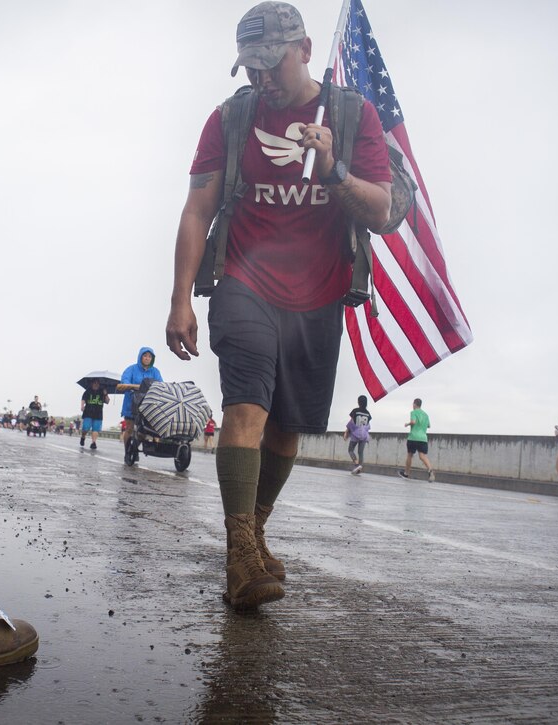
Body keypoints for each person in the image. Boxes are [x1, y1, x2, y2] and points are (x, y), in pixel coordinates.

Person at [164, 1, 393, 613]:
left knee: (289, 431)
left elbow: (381, 210)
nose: (262, 79)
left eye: (272, 64)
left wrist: (332, 167)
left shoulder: (352, 116)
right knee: (247, 409)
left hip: (318, 294)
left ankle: (255, 526)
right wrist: (180, 298)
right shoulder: (230, 118)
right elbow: (197, 210)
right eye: (251, 67)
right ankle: (240, 554)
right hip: (244, 278)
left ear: (306, 50)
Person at [120, 347, 163, 445]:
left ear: (152, 359)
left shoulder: (155, 372)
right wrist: (128, 385)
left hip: (147, 405)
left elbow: (161, 384)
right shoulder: (131, 369)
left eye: (149, 356)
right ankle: (127, 450)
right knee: (129, 429)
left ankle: (135, 447)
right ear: (140, 357)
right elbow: (125, 379)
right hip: (131, 403)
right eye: (145, 356)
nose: (147, 358)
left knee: (142, 432)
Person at [399, 399, 435, 482]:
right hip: (423, 438)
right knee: (422, 456)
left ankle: (406, 473)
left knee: (410, 455)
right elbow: (429, 425)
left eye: (413, 404)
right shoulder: (426, 415)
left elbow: (413, 422)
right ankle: (430, 470)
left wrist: (407, 424)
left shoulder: (413, 412)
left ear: (415, 404)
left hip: (413, 437)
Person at [343, 396, 372, 475]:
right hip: (364, 435)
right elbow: (367, 425)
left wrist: (346, 432)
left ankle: (356, 464)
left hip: (356, 434)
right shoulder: (368, 413)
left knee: (350, 450)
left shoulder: (355, 411)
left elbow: (351, 422)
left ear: (358, 402)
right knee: (360, 452)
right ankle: (359, 469)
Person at [79, 380, 110, 449]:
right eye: (95, 383)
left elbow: (107, 401)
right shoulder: (88, 391)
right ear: (92, 383)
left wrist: (105, 394)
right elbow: (83, 399)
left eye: (97, 383)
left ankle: (93, 443)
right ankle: (83, 437)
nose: (96, 384)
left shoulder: (102, 391)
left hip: (98, 413)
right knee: (86, 428)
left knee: (95, 429)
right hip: (88, 412)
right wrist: (82, 406)